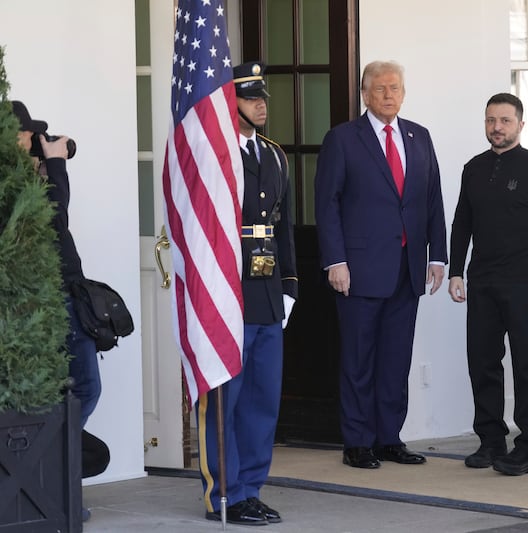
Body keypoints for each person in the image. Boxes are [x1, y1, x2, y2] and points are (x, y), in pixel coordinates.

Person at [314, 60, 448, 469]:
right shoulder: (342, 140)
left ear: (403, 93)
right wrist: (335, 260)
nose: (389, 95)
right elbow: (328, 204)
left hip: (408, 270)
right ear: (364, 94)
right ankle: (357, 442)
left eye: (395, 88)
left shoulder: (419, 137)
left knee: (395, 360)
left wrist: (438, 255)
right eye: (381, 88)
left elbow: (432, 200)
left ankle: (390, 437)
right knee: (358, 360)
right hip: (358, 271)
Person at [197, 61, 298, 526]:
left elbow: (284, 228)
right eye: (251, 96)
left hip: (267, 290)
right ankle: (227, 492)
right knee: (226, 400)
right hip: (226, 290)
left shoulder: (274, 154)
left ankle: (251, 488)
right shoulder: (214, 153)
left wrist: (290, 287)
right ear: (228, 102)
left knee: (262, 399)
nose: (260, 104)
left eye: (262, 97)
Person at [448, 93, 528, 476]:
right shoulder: (473, 169)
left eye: (504, 121)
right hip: (481, 281)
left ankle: (527, 446)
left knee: (527, 365)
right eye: (490, 120)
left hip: (525, 284)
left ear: (520, 125)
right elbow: (462, 222)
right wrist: (455, 271)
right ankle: (490, 441)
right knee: (482, 362)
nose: (496, 127)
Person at [13, 100, 101, 521]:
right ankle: (47, 479)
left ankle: (50, 480)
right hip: (45, 300)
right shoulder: (15, 185)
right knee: (78, 390)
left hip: (63, 294)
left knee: (69, 395)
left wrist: (49, 169)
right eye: (28, 134)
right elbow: (53, 220)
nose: (34, 141)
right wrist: (57, 168)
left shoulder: (33, 178)